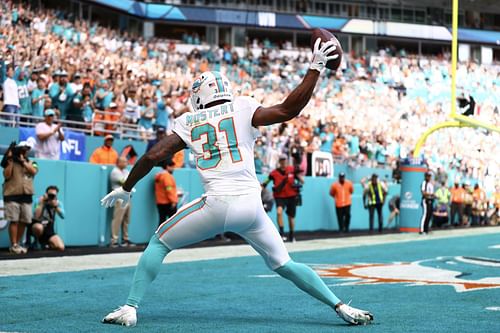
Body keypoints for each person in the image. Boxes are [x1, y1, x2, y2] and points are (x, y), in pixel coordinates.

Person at [101, 40, 373, 327]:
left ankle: (130, 307)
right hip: (251, 207)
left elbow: (154, 156)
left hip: (216, 204)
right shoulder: (243, 107)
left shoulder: (191, 120)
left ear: (200, 95)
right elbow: (287, 110)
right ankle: (341, 306)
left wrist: (127, 187)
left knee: (158, 242)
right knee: (284, 263)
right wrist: (315, 69)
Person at [1, 141, 38, 254]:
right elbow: (6, 175)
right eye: (22, 149)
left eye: (26, 149)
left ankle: (18, 243)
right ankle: (14, 245)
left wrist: (23, 161)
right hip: (12, 195)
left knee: (24, 220)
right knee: (14, 220)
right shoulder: (9, 161)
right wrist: (11, 159)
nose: (24, 151)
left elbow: (33, 171)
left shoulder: (32, 162)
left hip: (26, 196)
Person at [262, 155, 304, 242]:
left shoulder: (292, 170)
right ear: (279, 162)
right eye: (281, 160)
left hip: (292, 196)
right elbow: (265, 183)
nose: (283, 162)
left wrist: (299, 176)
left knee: (291, 217)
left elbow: (302, 181)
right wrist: (260, 187)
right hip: (280, 197)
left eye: (284, 160)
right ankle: (281, 233)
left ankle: (292, 235)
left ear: (286, 161)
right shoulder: (273, 173)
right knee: (279, 212)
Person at [31, 185, 65, 251]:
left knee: (61, 247)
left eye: (53, 195)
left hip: (49, 230)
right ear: (46, 194)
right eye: (50, 195)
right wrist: (41, 203)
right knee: (38, 227)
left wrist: (56, 207)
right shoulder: (38, 201)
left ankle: (48, 244)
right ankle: (36, 242)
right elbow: (36, 216)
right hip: (38, 227)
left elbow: (63, 216)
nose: (51, 197)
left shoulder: (58, 203)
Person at [110, 157, 132, 247]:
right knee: (117, 219)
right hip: (119, 197)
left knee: (127, 219)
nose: (126, 163)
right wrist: (130, 182)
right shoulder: (115, 172)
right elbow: (126, 183)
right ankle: (114, 240)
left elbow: (131, 181)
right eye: (124, 162)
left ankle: (125, 239)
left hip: (127, 196)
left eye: (127, 161)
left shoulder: (126, 171)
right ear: (118, 163)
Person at [154, 159, 178, 226]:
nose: (173, 169)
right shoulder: (166, 176)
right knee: (173, 223)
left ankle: (160, 236)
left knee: (162, 221)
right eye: (172, 167)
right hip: (168, 203)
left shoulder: (159, 175)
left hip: (160, 202)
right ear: (167, 166)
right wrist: (173, 201)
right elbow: (169, 189)